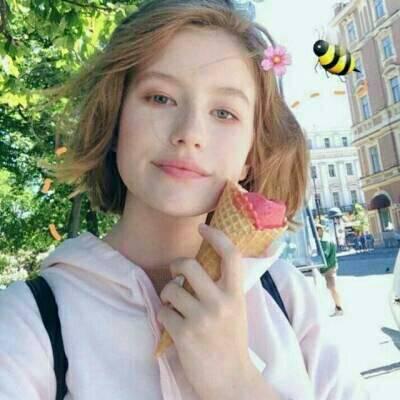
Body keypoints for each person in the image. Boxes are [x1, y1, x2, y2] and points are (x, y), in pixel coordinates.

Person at [0, 1, 369, 399]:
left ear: (250, 154)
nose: (190, 132)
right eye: (160, 98)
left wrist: (237, 383)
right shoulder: (30, 320)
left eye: (224, 112)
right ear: (115, 120)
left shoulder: (285, 296)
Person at [316, 224, 344, 317]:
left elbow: (325, 254)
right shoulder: (327, 238)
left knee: (332, 288)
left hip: (328, 268)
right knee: (332, 288)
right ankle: (338, 308)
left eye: (316, 231)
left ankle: (339, 308)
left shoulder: (324, 240)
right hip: (331, 266)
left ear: (320, 230)